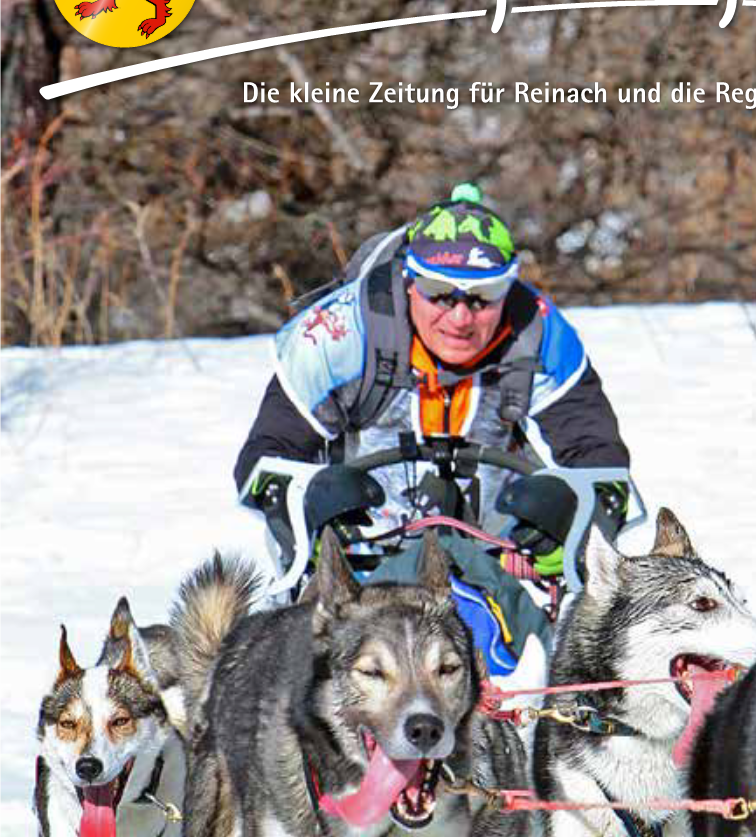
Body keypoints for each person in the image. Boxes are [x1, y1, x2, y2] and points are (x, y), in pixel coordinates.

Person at [235, 183, 632, 664]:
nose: (461, 317)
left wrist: (566, 521)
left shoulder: (542, 332)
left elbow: (602, 463)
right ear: (409, 281)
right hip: (362, 551)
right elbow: (264, 460)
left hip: (496, 550)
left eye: (484, 297)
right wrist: (318, 506)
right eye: (439, 295)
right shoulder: (337, 333)